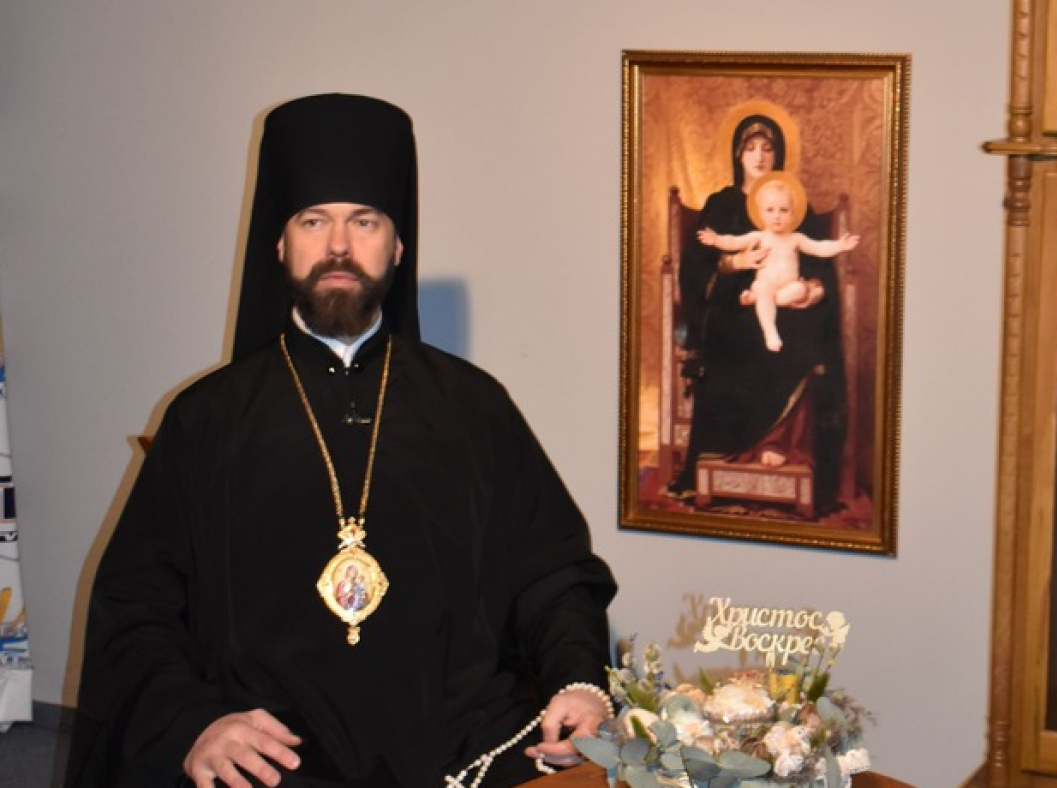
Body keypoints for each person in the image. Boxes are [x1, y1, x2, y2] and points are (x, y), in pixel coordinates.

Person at [65, 94, 617, 788]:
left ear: (397, 246)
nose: (338, 246)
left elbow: (552, 575)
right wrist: (194, 722)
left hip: (459, 750)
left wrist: (578, 682)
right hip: (272, 758)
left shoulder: (474, 406)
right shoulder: (206, 420)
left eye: (364, 221)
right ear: (279, 244)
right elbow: (137, 607)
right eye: (313, 221)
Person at [669, 112, 847, 506]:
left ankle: (780, 444)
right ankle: (738, 447)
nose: (759, 156)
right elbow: (696, 266)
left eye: (768, 148)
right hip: (732, 307)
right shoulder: (721, 203)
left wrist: (814, 290)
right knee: (740, 334)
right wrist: (736, 263)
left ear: (779, 154)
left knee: (800, 332)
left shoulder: (793, 204)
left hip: (787, 305)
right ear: (738, 154)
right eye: (750, 148)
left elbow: (819, 262)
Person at [696, 173, 859, 354]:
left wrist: (840, 246)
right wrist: (716, 239)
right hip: (765, 285)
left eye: (783, 210)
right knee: (764, 289)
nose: (777, 216)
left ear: (792, 214)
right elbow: (733, 242)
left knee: (800, 289)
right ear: (760, 213)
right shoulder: (759, 237)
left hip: (787, 290)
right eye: (770, 210)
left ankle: (757, 300)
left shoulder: (796, 238)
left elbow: (819, 248)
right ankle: (770, 332)